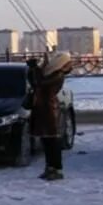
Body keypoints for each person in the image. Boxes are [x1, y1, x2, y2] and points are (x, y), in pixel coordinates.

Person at [28, 51, 75, 181]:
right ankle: (50, 168)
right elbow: (35, 82)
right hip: (43, 108)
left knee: (53, 141)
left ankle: (57, 169)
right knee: (46, 141)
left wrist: (35, 69)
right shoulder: (49, 72)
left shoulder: (58, 74)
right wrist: (34, 69)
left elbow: (41, 83)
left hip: (50, 110)